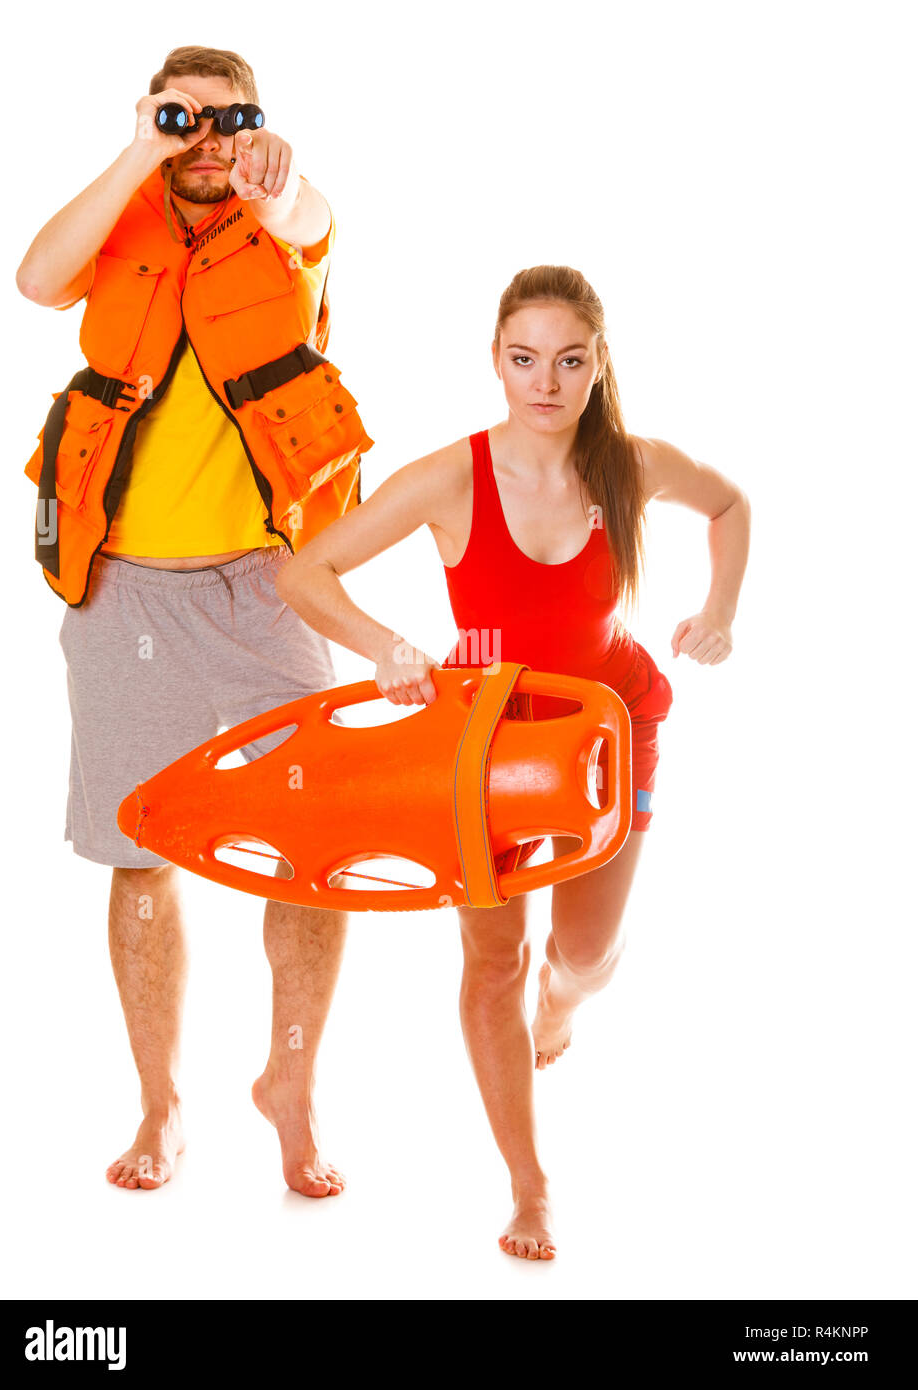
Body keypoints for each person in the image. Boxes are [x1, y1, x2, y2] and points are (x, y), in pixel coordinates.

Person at [274, 264, 751, 1259]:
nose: (546, 381)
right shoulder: (452, 475)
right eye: (524, 359)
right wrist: (386, 647)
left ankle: (564, 1003)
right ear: (494, 360)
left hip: (606, 734)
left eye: (568, 361)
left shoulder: (629, 462)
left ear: (596, 364)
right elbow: (303, 570)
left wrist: (717, 614)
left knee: (579, 957)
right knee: (493, 962)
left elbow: (729, 504)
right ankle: (530, 1189)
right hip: (485, 742)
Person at [17, 46, 373, 1197]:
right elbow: (34, 279)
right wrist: (141, 147)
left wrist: (275, 169)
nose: (207, 136)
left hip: (266, 590)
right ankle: (161, 1105)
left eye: (233, 117)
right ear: (157, 118)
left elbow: (307, 211)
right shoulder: (121, 219)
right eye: (187, 117)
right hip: (124, 589)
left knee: (311, 857)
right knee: (135, 857)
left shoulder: (285, 220)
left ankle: (292, 1089)